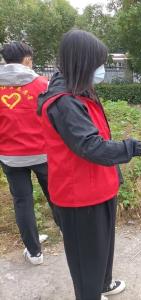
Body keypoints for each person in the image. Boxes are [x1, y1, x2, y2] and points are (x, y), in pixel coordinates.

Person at [38, 30, 141, 300]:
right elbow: (91, 146)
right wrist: (138, 147)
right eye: (98, 63)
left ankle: (102, 284)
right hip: (79, 197)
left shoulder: (81, 92)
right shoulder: (64, 102)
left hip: (100, 187)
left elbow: (99, 138)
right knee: (86, 262)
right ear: (82, 63)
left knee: (102, 249)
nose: (102, 69)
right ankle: (90, 293)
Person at [0, 42, 56, 265]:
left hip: (10, 157)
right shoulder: (43, 84)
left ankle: (34, 252)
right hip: (42, 153)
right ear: (26, 60)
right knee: (55, 194)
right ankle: (68, 233)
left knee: (22, 202)